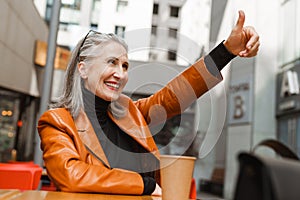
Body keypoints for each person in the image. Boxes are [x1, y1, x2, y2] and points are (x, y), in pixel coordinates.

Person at [37, 10, 259, 196]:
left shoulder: (129, 112)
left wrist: (226, 52)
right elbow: (72, 175)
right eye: (111, 63)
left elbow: (174, 96)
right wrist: (145, 185)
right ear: (83, 69)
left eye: (125, 66)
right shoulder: (57, 122)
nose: (120, 74)